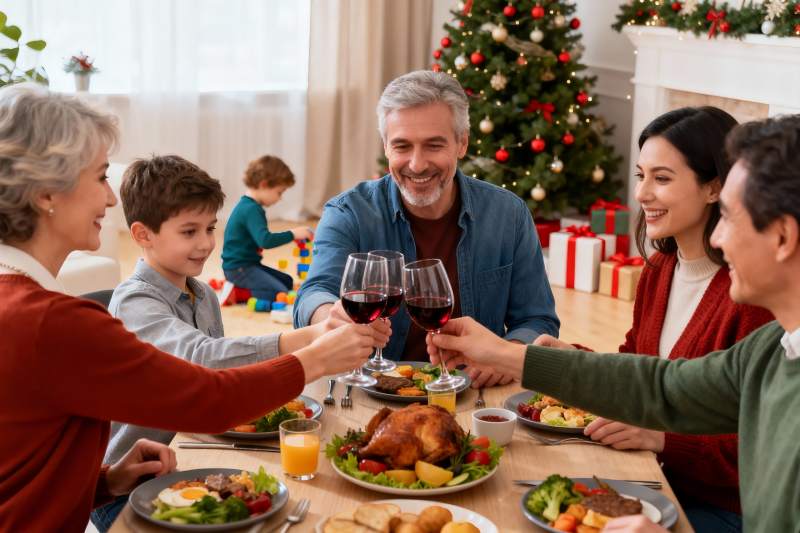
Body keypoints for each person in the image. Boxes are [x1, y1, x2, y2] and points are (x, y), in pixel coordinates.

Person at [0, 84, 379, 532]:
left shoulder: (24, 306)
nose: (108, 197)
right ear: (48, 191)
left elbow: (22, 469)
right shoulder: (51, 321)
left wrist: (106, 480)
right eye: (101, 175)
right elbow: (210, 397)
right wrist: (314, 356)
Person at [426, 114, 800, 533]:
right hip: (658, 481)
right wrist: (515, 354)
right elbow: (660, 385)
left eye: (732, 217)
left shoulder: (762, 325)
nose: (718, 238)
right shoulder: (772, 347)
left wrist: (660, 439)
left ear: (783, 237)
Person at [89, 155, 390, 531]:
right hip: (129, 488)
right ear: (142, 235)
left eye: (210, 228)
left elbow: (223, 381)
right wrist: (309, 342)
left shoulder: (204, 295)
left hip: (187, 457)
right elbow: (203, 361)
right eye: (189, 232)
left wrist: (322, 329)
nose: (205, 244)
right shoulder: (135, 301)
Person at [536, 107, 772, 533]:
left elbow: (757, 445)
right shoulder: (660, 270)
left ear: (714, 188)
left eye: (662, 179)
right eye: (641, 175)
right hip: (649, 478)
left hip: (722, 508)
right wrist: (575, 357)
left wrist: (662, 438)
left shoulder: (750, 296)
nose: (642, 193)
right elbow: (638, 364)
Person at [293, 70, 559, 388]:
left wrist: (511, 353)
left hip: (472, 393)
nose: (417, 164)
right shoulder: (348, 212)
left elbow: (537, 318)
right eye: (402, 146)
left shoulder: (508, 214)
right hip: (370, 389)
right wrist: (329, 315)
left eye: (433, 146)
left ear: (462, 143)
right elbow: (312, 295)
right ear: (386, 147)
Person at [222, 155, 314, 302]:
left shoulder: (250, 206)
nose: (280, 198)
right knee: (279, 293)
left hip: (249, 265)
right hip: (238, 269)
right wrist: (293, 234)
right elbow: (265, 241)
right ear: (264, 185)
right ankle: (239, 293)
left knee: (287, 282)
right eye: (279, 192)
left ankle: (243, 288)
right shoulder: (251, 209)